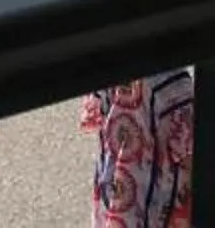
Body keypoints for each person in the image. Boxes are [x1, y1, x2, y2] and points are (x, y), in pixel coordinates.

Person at [83, 66, 194, 228]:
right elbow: (189, 152)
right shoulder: (173, 87)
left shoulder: (109, 65)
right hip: (156, 205)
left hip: (118, 196)